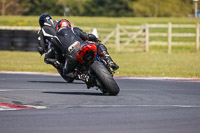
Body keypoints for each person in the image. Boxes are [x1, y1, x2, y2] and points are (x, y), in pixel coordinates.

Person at [38, 13, 119, 75]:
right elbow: (88, 36)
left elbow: (58, 56)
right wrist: (96, 40)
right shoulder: (74, 29)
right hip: (82, 47)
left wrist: (60, 61)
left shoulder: (54, 39)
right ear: (68, 25)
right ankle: (110, 62)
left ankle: (80, 75)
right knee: (100, 46)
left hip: (71, 56)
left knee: (65, 71)